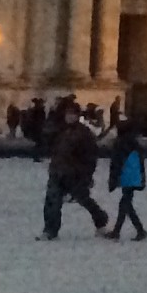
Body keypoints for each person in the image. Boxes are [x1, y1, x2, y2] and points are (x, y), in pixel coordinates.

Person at [41, 97, 108, 239]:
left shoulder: (84, 133)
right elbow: (51, 144)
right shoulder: (60, 131)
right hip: (58, 171)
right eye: (67, 114)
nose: (69, 117)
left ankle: (100, 220)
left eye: (72, 114)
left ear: (77, 116)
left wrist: (87, 176)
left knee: (84, 200)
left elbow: (90, 157)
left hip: (75, 174)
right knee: (52, 202)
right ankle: (50, 230)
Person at [106, 115, 147, 239]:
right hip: (133, 175)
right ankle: (136, 230)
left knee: (125, 203)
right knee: (126, 203)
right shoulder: (133, 142)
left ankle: (121, 231)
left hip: (126, 176)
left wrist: (113, 180)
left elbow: (116, 163)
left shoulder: (120, 143)